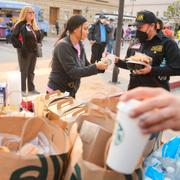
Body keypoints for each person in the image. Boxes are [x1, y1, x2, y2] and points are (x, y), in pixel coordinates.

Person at [115, 10, 180, 91]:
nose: (137, 30)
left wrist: (152, 70)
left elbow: (177, 69)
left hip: (156, 94)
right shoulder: (135, 42)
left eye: (140, 27)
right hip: (134, 90)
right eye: (136, 27)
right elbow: (130, 65)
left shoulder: (168, 43)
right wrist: (117, 61)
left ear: (152, 26)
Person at [47, 15, 108, 98]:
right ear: (75, 29)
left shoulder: (79, 44)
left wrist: (100, 67)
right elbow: (73, 72)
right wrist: (96, 66)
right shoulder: (63, 46)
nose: (87, 32)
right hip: (57, 92)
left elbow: (85, 65)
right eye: (85, 29)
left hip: (70, 92)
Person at [11, 6, 42, 96]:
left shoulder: (34, 25)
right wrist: (21, 47)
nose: (32, 14)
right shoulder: (20, 24)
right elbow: (13, 38)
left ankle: (31, 89)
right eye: (30, 12)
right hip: (24, 52)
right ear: (25, 13)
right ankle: (23, 90)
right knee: (24, 71)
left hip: (33, 51)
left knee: (31, 71)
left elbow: (38, 37)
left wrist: (39, 44)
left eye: (33, 12)